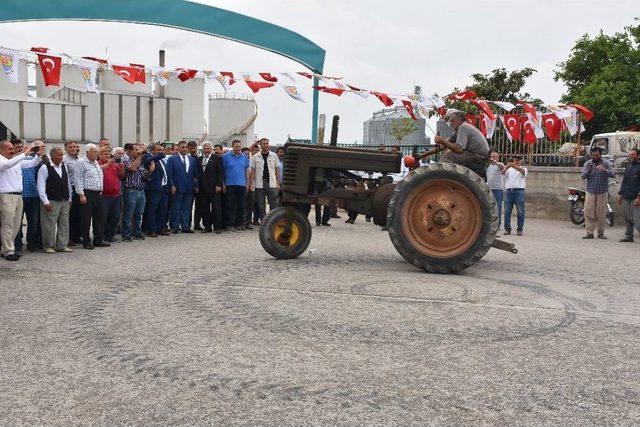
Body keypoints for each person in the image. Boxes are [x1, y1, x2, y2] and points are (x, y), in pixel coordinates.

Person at [0, 140, 40, 261]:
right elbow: (8, 165)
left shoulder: (15, 160)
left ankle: (6, 248)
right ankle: (8, 250)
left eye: (13, 148)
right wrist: (24, 153)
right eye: (10, 149)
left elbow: (30, 164)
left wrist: (38, 155)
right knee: (8, 224)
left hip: (18, 196)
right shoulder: (2, 160)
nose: (13, 151)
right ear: (1, 150)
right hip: (6, 195)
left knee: (16, 225)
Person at [422, 110, 490, 173]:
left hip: (479, 157)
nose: (450, 124)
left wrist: (441, 140)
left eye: (452, 121)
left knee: (449, 155)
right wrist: (423, 155)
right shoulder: (458, 130)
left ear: (459, 120)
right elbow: (442, 146)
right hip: (477, 155)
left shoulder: (463, 127)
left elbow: (459, 149)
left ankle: (439, 176)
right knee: (449, 154)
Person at [37, 147, 74, 253]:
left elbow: (67, 183)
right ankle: (48, 246)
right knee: (49, 224)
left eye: (62, 155)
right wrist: (45, 201)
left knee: (64, 223)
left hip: (64, 199)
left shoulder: (64, 166)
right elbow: (41, 185)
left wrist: (70, 197)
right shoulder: (45, 168)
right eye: (58, 155)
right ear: (52, 155)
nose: (61, 157)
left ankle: (62, 245)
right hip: (51, 200)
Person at [75, 143, 110, 249]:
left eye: (97, 152)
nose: (96, 154)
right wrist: (81, 194)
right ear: (87, 152)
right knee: (86, 219)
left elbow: (99, 176)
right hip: (87, 193)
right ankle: (86, 241)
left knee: (99, 218)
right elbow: (78, 179)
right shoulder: (81, 162)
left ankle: (98, 240)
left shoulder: (95, 162)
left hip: (98, 193)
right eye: (94, 152)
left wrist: (101, 190)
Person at [15, 139, 45, 253]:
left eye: (21, 147)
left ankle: (31, 244)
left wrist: (38, 154)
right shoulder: (13, 160)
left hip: (33, 194)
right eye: (17, 147)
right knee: (17, 222)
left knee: (33, 222)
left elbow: (34, 162)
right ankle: (17, 245)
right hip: (20, 195)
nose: (20, 149)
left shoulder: (29, 159)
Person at [581, 146, 615, 239]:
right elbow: (582, 176)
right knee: (588, 212)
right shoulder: (588, 163)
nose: (595, 157)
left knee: (601, 213)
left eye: (597, 155)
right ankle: (589, 233)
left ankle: (601, 233)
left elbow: (613, 174)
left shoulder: (607, 163)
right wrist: (588, 170)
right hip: (590, 191)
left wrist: (604, 170)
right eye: (593, 155)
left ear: (600, 155)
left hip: (602, 191)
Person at [166, 140, 198, 233]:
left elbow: (195, 175)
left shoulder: (192, 159)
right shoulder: (172, 159)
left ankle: (186, 227)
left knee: (187, 208)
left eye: (186, 147)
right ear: (178, 148)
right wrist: (172, 185)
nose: (184, 149)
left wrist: (196, 185)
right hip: (177, 188)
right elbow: (169, 174)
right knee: (176, 208)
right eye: (182, 147)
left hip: (189, 188)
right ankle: (174, 226)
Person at [122, 144, 151, 242]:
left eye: (139, 150)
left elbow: (144, 175)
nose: (139, 152)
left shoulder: (140, 162)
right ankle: (126, 233)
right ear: (130, 151)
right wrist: (139, 158)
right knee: (128, 213)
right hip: (130, 191)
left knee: (139, 213)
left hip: (141, 190)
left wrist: (150, 171)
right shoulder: (126, 160)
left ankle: (137, 232)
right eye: (136, 150)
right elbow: (132, 169)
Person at [99, 146, 125, 243]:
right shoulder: (98, 164)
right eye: (104, 153)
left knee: (115, 217)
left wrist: (122, 167)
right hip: (104, 196)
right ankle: (101, 236)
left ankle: (110, 236)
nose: (107, 155)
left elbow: (121, 176)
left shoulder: (114, 164)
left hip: (116, 195)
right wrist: (107, 164)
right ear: (99, 155)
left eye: (108, 153)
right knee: (103, 217)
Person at [223, 140, 251, 232]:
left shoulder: (244, 157)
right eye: (236, 146)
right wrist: (223, 183)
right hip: (229, 184)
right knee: (230, 205)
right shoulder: (226, 157)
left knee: (241, 205)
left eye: (239, 146)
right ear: (233, 147)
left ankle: (239, 224)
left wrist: (247, 184)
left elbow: (247, 171)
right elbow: (222, 172)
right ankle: (229, 224)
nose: (238, 148)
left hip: (241, 184)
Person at [249, 138, 280, 221]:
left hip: (271, 183)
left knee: (273, 204)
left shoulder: (274, 155)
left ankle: (272, 220)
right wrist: (252, 183)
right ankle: (264, 221)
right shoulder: (255, 156)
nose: (266, 145)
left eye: (267, 143)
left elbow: (277, 170)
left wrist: (277, 183)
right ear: (260, 145)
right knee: (261, 205)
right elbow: (252, 171)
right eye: (264, 144)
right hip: (260, 183)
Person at [197, 142, 224, 233]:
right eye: (205, 149)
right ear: (202, 150)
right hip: (202, 188)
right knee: (205, 208)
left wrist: (219, 185)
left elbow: (220, 173)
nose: (206, 150)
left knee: (216, 208)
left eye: (208, 149)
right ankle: (207, 226)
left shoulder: (217, 159)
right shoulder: (199, 159)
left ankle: (217, 227)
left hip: (214, 188)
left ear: (211, 149)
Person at [144, 143, 171, 237]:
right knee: (152, 209)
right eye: (158, 150)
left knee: (163, 209)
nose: (161, 152)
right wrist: (162, 154)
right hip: (154, 189)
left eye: (162, 150)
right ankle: (151, 229)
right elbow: (148, 161)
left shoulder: (162, 161)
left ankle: (160, 228)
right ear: (153, 150)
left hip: (164, 188)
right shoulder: (149, 158)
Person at [617, 147, 640, 242]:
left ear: (638, 156)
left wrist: (639, 197)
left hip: (636, 197)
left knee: (637, 219)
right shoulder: (628, 167)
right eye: (630, 154)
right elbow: (624, 181)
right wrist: (620, 194)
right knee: (628, 218)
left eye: (633, 155)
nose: (631, 156)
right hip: (627, 196)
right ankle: (629, 236)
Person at [502, 155, 527, 236]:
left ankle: (519, 229)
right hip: (509, 191)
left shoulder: (524, 169)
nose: (516, 162)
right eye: (515, 160)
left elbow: (523, 172)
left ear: (520, 161)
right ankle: (507, 229)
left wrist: (514, 166)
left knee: (520, 211)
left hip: (519, 192)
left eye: (518, 160)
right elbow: (502, 173)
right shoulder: (509, 170)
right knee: (507, 211)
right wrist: (507, 167)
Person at [63, 140, 82, 246]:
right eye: (70, 147)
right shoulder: (64, 160)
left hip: (79, 189)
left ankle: (77, 236)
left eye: (74, 146)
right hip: (70, 189)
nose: (73, 148)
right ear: (65, 148)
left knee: (79, 214)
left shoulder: (77, 159)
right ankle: (69, 238)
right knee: (71, 216)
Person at [486, 150, 505, 229]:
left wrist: (496, 163)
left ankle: (497, 225)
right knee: (488, 207)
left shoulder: (500, 164)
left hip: (498, 190)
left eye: (495, 157)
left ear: (498, 158)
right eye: (492, 157)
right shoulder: (487, 166)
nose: (493, 158)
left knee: (497, 207)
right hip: (488, 189)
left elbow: (502, 168)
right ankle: (490, 224)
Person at [187, 140, 202, 230]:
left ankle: (197, 224)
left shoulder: (201, 157)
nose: (193, 150)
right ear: (188, 149)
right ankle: (187, 224)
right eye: (191, 148)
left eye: (194, 148)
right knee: (188, 206)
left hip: (200, 186)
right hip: (189, 185)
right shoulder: (187, 158)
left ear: (196, 148)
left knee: (199, 206)